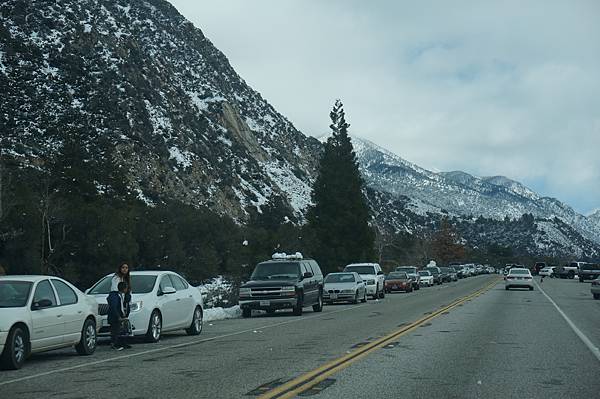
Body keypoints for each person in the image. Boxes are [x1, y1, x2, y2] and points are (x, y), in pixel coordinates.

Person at [107, 263, 132, 350]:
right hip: (118, 301)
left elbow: (128, 291)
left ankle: (123, 342)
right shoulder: (116, 278)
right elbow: (116, 289)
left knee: (123, 326)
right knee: (115, 327)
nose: (125, 269)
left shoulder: (126, 279)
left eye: (126, 268)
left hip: (124, 302)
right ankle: (115, 342)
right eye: (123, 267)